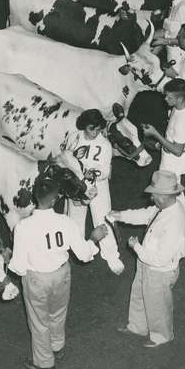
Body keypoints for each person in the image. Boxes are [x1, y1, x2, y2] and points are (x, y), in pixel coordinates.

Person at [8, 178, 108, 369]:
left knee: (39, 322)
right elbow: (84, 255)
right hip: (61, 274)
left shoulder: (23, 227)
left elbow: (18, 266)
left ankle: (44, 364)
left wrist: (8, 259)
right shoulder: (66, 222)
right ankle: (57, 346)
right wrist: (93, 238)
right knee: (58, 313)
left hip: (37, 278)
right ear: (55, 200)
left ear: (35, 197)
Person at [108, 170, 185, 349]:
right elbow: (145, 215)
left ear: (165, 196)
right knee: (139, 294)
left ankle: (162, 336)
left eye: (154, 195)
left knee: (157, 304)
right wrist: (120, 215)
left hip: (159, 271)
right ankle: (137, 326)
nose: (151, 198)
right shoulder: (165, 207)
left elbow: (160, 259)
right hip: (146, 263)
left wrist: (136, 247)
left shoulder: (174, 222)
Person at [66, 109, 125, 275]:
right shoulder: (74, 137)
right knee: (75, 219)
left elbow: (105, 171)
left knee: (103, 218)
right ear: (84, 126)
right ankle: (78, 250)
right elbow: (66, 158)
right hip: (76, 185)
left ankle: (111, 255)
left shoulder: (105, 144)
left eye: (98, 129)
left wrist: (91, 173)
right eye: (92, 129)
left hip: (98, 187)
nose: (95, 133)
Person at [141, 78, 185, 217]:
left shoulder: (182, 122)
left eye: (169, 97)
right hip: (180, 151)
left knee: (166, 187)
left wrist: (155, 134)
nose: (165, 99)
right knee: (173, 185)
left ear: (179, 99)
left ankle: (178, 214)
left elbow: (177, 151)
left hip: (173, 160)